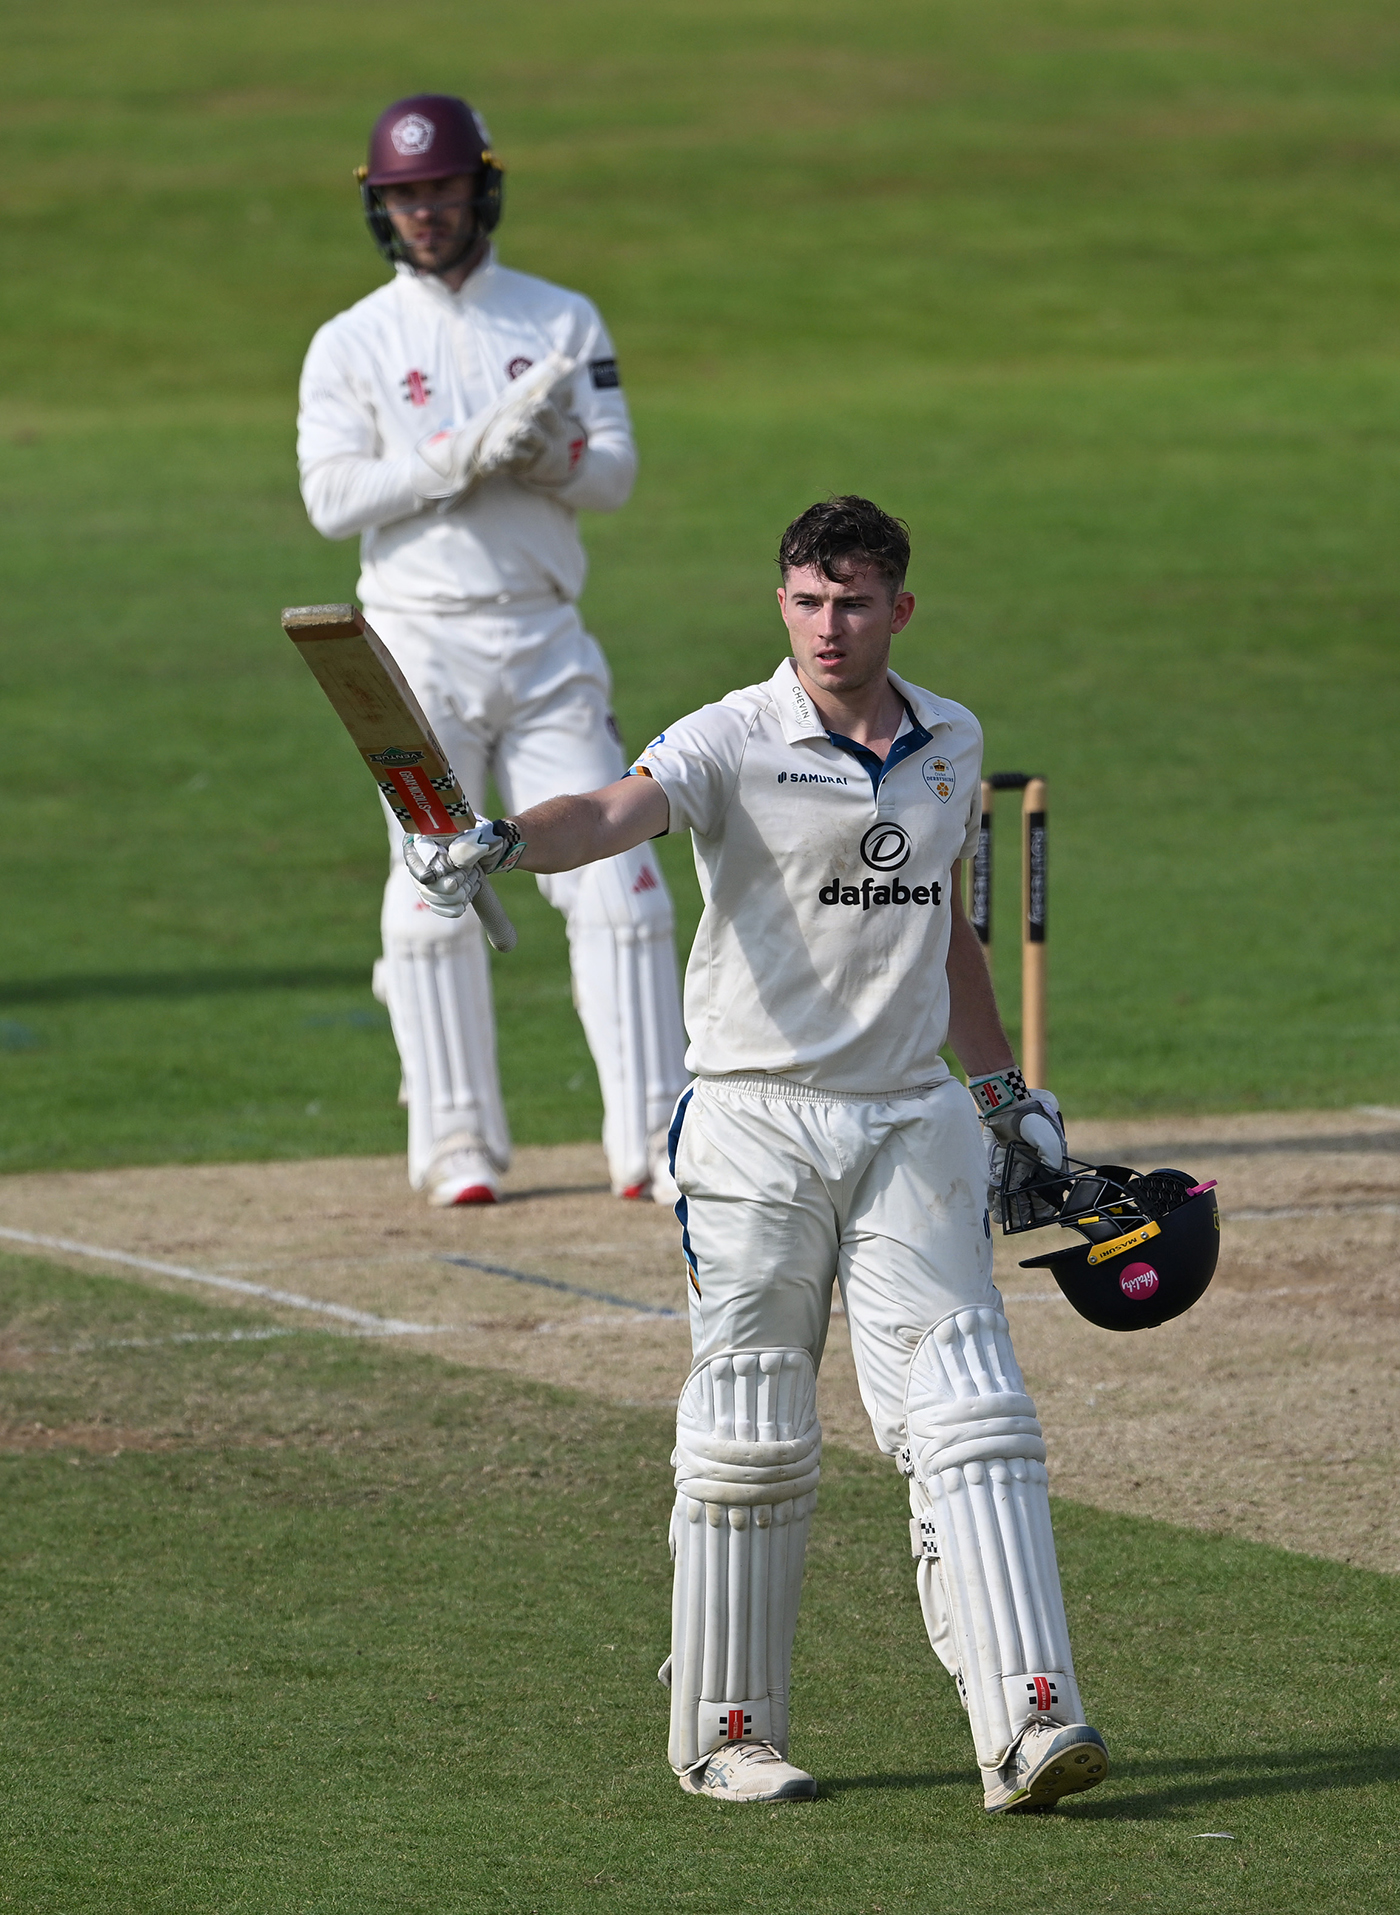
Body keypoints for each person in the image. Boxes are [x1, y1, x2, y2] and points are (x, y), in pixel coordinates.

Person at [402, 497, 1109, 1812]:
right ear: (779, 603)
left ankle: (1029, 1717)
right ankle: (728, 1732)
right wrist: (503, 840)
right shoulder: (733, 733)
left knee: (974, 1411)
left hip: (911, 1114)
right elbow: (614, 809)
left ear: (900, 607)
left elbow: (947, 925)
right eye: (805, 599)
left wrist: (1007, 1091)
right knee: (752, 1431)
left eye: (852, 602)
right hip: (753, 1119)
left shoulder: (951, 739)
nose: (828, 625)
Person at [296, 92, 687, 1207]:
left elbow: (611, 474)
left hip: (544, 634)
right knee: (431, 881)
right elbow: (330, 498)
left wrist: (549, 455)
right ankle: (456, 1143)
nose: (427, 211)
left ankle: (656, 1140)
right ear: (381, 206)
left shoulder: (560, 318)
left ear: (483, 187)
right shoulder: (351, 341)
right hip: (413, 644)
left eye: (443, 188)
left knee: (619, 885)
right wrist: (460, 455)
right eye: (405, 195)